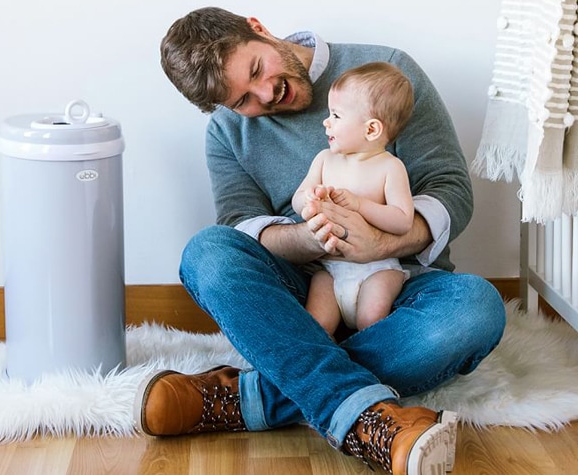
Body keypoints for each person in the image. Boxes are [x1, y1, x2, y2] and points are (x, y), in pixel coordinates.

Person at [134, 7, 506, 475]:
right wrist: (311, 240)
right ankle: (368, 419)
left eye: (256, 70)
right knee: (206, 253)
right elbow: (242, 225)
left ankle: (245, 399)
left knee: (476, 308)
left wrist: (379, 244)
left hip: (399, 288)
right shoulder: (227, 132)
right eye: (243, 99)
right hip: (304, 293)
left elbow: (450, 187)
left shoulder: (386, 72)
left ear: (259, 29)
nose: (266, 94)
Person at [291, 62, 415, 336]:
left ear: (371, 130)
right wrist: (309, 200)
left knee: (371, 320)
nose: (326, 121)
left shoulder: (390, 168)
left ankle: (368, 350)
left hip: (377, 269)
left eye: (336, 115)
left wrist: (361, 205)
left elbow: (403, 221)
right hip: (331, 269)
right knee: (317, 325)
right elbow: (297, 199)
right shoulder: (324, 160)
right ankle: (329, 356)